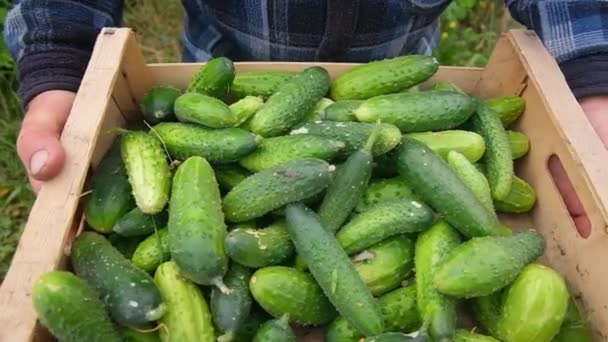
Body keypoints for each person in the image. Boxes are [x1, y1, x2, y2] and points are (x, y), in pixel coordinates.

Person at [4, 1, 607, 233]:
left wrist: (594, 74)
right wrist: (61, 58)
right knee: (228, 135)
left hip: (401, 75)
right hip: (223, 71)